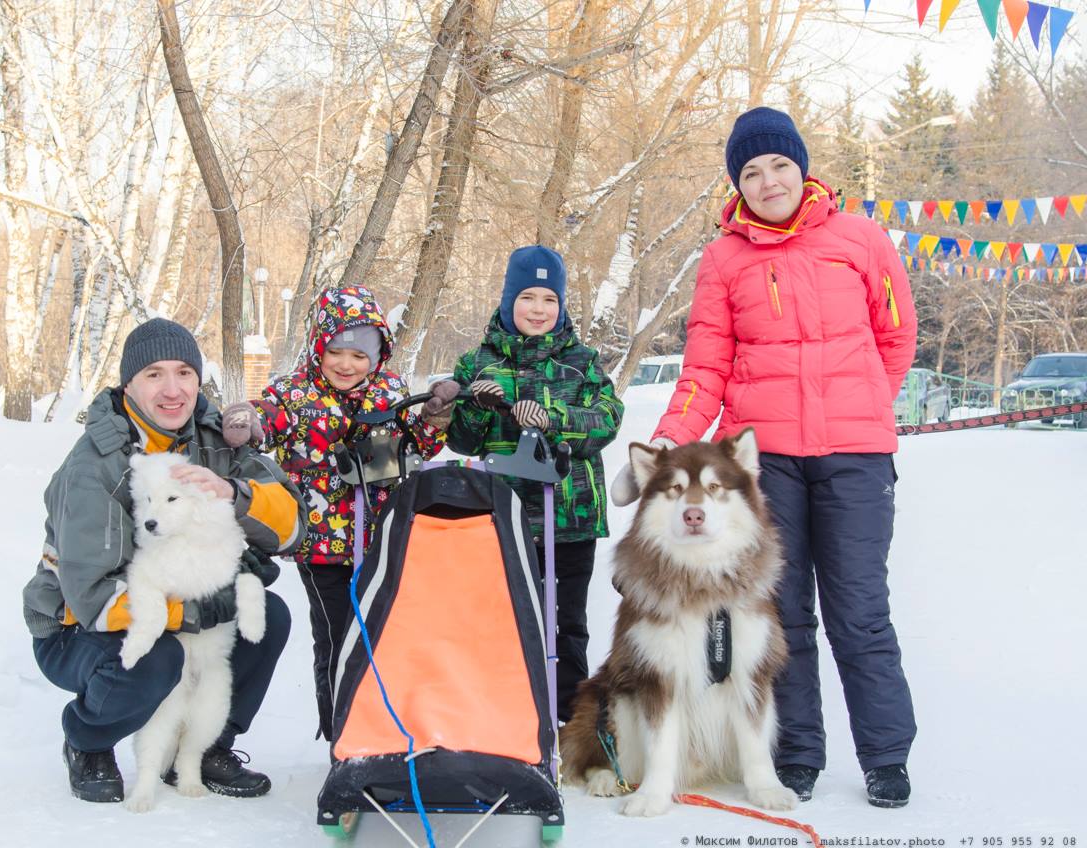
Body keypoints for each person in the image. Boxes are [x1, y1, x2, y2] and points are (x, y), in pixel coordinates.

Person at [616, 107, 918, 808]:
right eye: (750, 172)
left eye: (779, 164)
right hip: (766, 459)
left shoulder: (862, 239)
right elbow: (705, 365)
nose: (768, 180)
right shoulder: (725, 258)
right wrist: (668, 439)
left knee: (861, 610)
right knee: (784, 613)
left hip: (855, 456)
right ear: (737, 185)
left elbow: (895, 339)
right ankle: (799, 753)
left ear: (803, 167)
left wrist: (866, 404)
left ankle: (886, 755)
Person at [21, 318, 306, 803]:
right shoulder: (95, 466)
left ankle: (204, 747)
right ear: (128, 384)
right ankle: (87, 739)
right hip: (76, 627)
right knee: (158, 656)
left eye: (184, 373)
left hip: (170, 601)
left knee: (268, 614)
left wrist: (236, 494)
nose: (173, 390)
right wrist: (193, 613)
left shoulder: (217, 441)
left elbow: (294, 527)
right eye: (154, 374)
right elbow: (92, 597)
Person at [221, 285, 457, 741]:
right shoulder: (295, 392)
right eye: (336, 351)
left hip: (383, 541)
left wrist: (435, 418)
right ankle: (341, 735)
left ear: (378, 355)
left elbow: (416, 447)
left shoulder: (389, 391)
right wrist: (247, 419)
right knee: (336, 638)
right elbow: (267, 420)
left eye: (360, 355)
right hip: (323, 546)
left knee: (383, 636)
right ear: (319, 346)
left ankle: (384, 729)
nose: (347, 364)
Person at [446, 244, 623, 724]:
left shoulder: (581, 362)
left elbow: (606, 421)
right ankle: (510, 718)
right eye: (528, 298)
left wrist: (553, 418)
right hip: (503, 517)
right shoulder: (478, 362)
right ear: (508, 301)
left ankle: (572, 721)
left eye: (549, 299)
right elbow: (461, 442)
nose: (539, 310)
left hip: (570, 519)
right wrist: (476, 407)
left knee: (568, 624)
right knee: (506, 617)